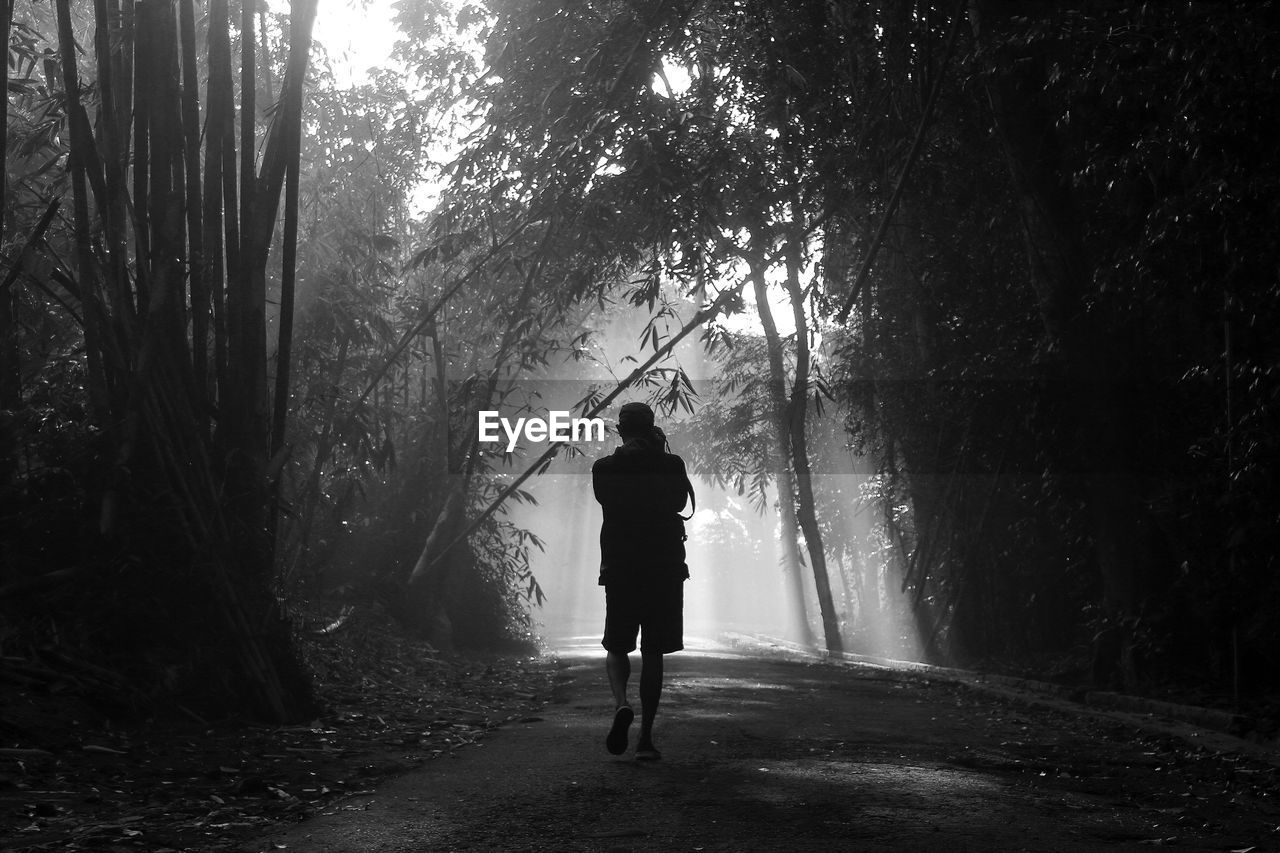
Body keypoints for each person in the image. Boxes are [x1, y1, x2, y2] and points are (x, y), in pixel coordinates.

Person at [592, 401, 694, 760]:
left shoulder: (604, 468)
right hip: (664, 567)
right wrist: (658, 453)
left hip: (621, 566)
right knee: (654, 651)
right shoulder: (671, 464)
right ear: (652, 428)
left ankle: (622, 703)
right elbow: (679, 502)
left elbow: (608, 501)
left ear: (621, 430)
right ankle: (646, 739)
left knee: (617, 646)